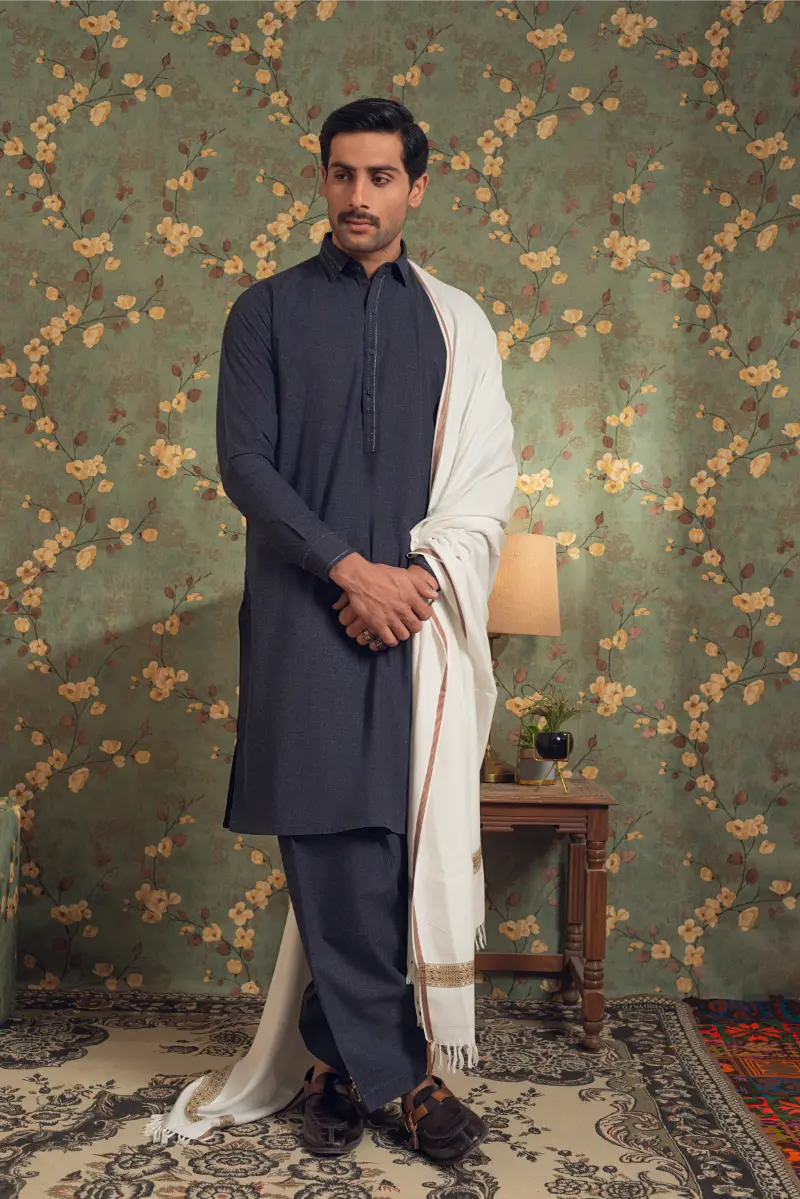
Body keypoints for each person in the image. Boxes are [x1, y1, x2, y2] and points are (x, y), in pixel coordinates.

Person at [145, 97, 517, 1166]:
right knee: (325, 832)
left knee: (387, 845)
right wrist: (351, 570)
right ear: (321, 180)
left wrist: (412, 583)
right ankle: (406, 1080)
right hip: (305, 609)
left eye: (381, 176)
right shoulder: (264, 311)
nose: (359, 195)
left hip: (415, 616)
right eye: (342, 174)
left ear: (416, 188)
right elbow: (246, 466)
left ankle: (336, 1068)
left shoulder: (455, 323)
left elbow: (486, 476)